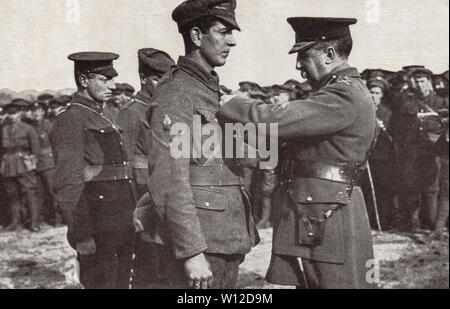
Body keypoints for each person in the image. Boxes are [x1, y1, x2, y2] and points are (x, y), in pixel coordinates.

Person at [218, 17, 377, 289]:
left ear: (329, 54)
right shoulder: (336, 92)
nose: (298, 65)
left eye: (304, 55)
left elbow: (280, 119)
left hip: (324, 215)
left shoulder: (342, 95)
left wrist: (233, 104)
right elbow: (290, 143)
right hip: (316, 212)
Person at [135, 0, 259, 289]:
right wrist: (191, 251)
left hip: (224, 236)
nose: (232, 41)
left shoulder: (211, 88)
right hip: (201, 242)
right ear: (195, 36)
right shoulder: (176, 93)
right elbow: (169, 177)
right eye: (223, 31)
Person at [50, 52, 136, 289]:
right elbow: (68, 181)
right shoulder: (71, 119)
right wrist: (82, 234)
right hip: (97, 223)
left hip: (121, 218)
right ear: (84, 80)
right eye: (104, 79)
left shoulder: (106, 114)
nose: (113, 85)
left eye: (113, 79)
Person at [117, 48, 175, 289]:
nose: (163, 84)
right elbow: (124, 165)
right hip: (143, 194)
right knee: (148, 261)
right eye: (157, 78)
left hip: (169, 193)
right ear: (143, 78)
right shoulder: (130, 113)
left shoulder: (166, 108)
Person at [395, 67, 448, 231]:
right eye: (416, 81)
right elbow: (399, 129)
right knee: (413, 188)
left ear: (429, 82)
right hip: (413, 153)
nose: (419, 85)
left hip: (435, 153)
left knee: (432, 190)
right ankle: (414, 223)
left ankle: (432, 224)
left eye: (422, 81)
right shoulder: (408, 103)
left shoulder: (441, 102)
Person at [0, 99, 41, 232]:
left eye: (14, 113)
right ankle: (15, 222)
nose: (12, 116)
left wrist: (32, 164)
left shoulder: (28, 128)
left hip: (24, 163)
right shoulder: (4, 128)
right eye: (9, 113)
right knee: (12, 194)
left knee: (30, 193)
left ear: (20, 114)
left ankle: (34, 223)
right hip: (8, 164)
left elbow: (36, 149)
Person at [363, 77, 398, 230]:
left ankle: (385, 220)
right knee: (367, 189)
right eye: (371, 92)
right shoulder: (362, 111)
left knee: (384, 190)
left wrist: (384, 129)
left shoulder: (388, 114)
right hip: (367, 157)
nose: (373, 96)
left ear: (382, 95)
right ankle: (370, 220)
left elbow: (395, 137)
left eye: (377, 93)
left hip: (384, 159)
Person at [30, 101, 62, 226]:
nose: (36, 114)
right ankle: (42, 219)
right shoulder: (32, 127)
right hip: (36, 165)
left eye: (38, 111)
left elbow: (56, 145)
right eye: (33, 111)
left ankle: (58, 220)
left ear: (43, 112)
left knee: (53, 192)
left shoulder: (49, 125)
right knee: (39, 193)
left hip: (49, 164)